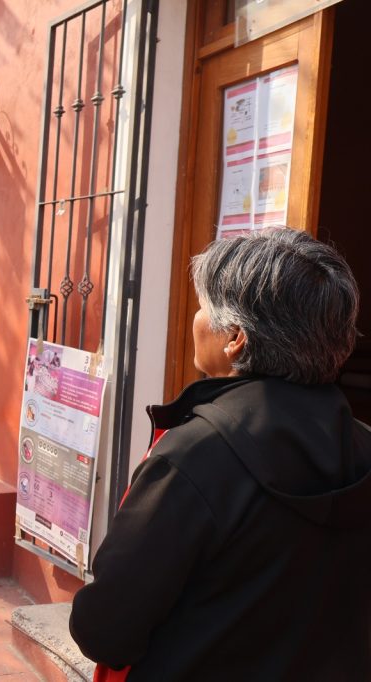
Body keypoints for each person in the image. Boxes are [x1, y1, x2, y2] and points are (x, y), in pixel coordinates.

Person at [70, 228, 371, 680]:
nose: (196, 318)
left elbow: (105, 631)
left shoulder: (194, 456)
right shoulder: (362, 445)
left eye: (203, 306)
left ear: (235, 337)